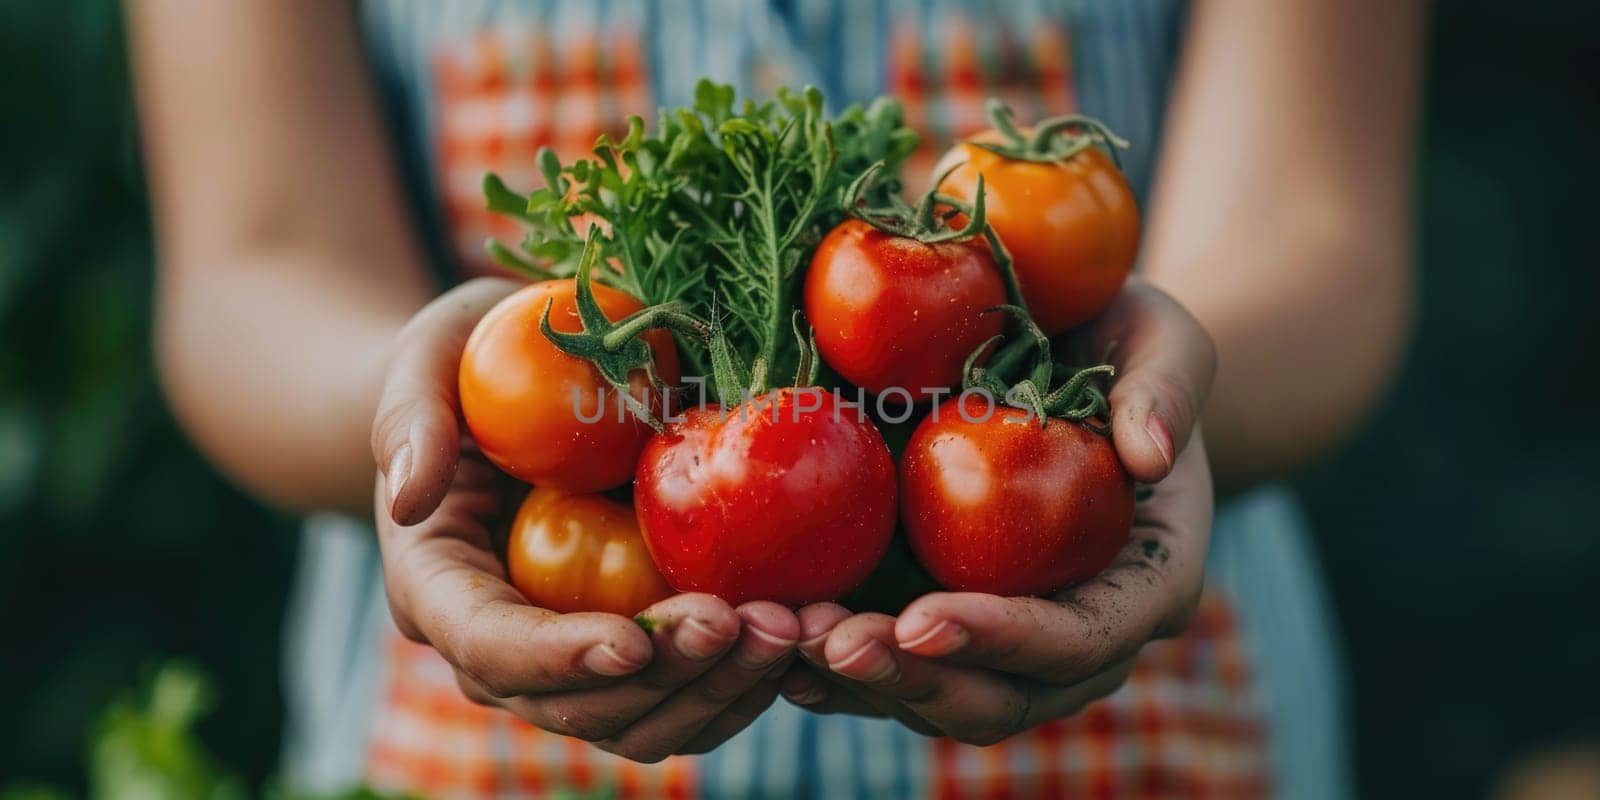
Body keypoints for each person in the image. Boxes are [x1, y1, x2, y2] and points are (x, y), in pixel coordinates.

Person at [127, 0, 1423, 797]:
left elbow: (1316, 236)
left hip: (1141, 732)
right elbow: (251, 266)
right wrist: (423, 406)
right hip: (485, 753)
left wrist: (1152, 415)